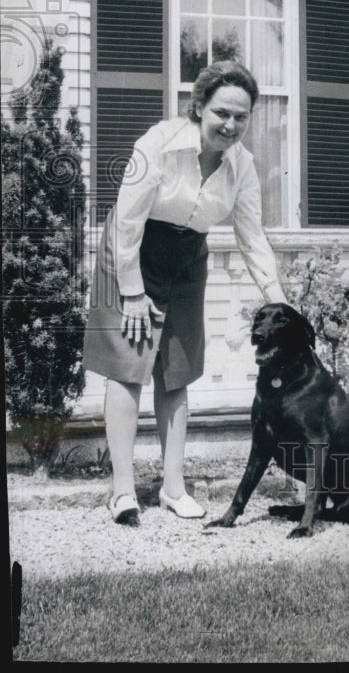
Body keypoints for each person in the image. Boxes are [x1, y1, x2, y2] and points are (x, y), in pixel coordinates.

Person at [83, 60, 286, 525]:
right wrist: (131, 293)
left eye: (241, 117)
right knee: (129, 367)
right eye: (221, 113)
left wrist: (277, 298)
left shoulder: (243, 166)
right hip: (132, 251)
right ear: (198, 108)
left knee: (177, 371)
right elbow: (128, 221)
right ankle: (122, 492)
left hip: (188, 258)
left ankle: (173, 488)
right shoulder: (157, 143)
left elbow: (251, 236)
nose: (230, 125)